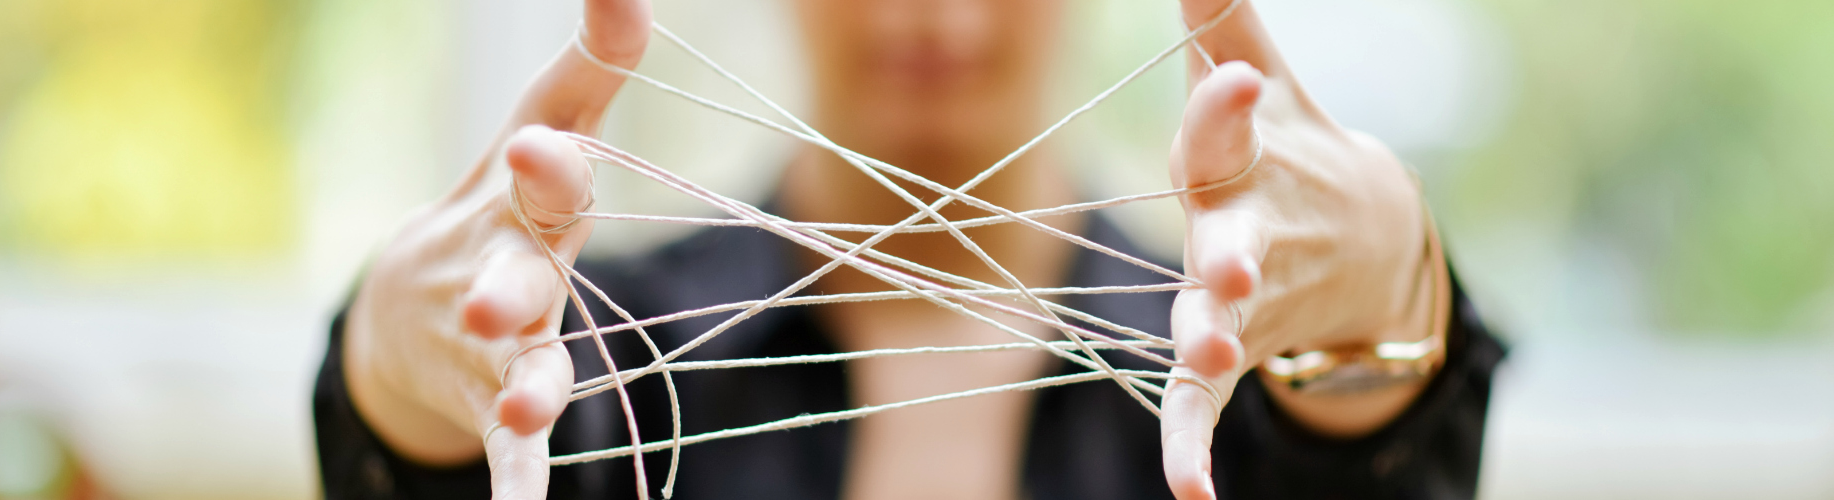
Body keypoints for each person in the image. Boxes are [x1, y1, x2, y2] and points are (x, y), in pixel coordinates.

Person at [313, 0, 1505, 498]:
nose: (931, 15)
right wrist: (394, 355)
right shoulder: (593, 357)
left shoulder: (1231, 350)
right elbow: (431, 447)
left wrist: (1383, 294)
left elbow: (1368, 443)